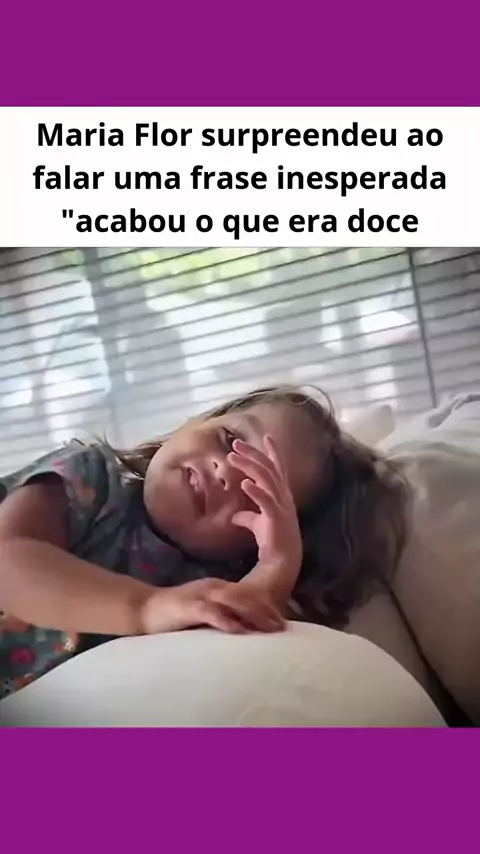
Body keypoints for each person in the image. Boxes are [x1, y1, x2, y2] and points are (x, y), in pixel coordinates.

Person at [0, 386, 406, 699]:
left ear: (249, 546)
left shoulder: (204, 587)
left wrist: (275, 567)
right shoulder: (90, 476)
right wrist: (144, 607)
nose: (224, 470)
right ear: (195, 421)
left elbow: (249, 636)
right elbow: (9, 558)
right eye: (229, 439)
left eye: (256, 489)